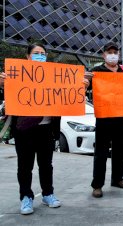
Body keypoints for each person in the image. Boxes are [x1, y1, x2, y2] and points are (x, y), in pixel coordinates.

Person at [0, 43, 89, 215]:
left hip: (46, 129)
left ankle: (48, 193)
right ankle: (26, 197)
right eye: (36, 53)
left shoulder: (54, 76)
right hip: (24, 130)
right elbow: (7, 99)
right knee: (25, 166)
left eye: (43, 53)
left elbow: (69, 96)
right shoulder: (16, 75)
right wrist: (3, 84)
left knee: (46, 165)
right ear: (27, 57)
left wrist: (81, 86)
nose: (40, 56)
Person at [89, 42, 123, 198]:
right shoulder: (96, 71)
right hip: (103, 118)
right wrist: (86, 80)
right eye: (109, 52)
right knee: (101, 152)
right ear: (104, 55)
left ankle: (118, 178)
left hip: (121, 118)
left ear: (118, 54)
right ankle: (97, 185)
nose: (113, 54)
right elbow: (85, 88)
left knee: (121, 151)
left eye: (115, 52)